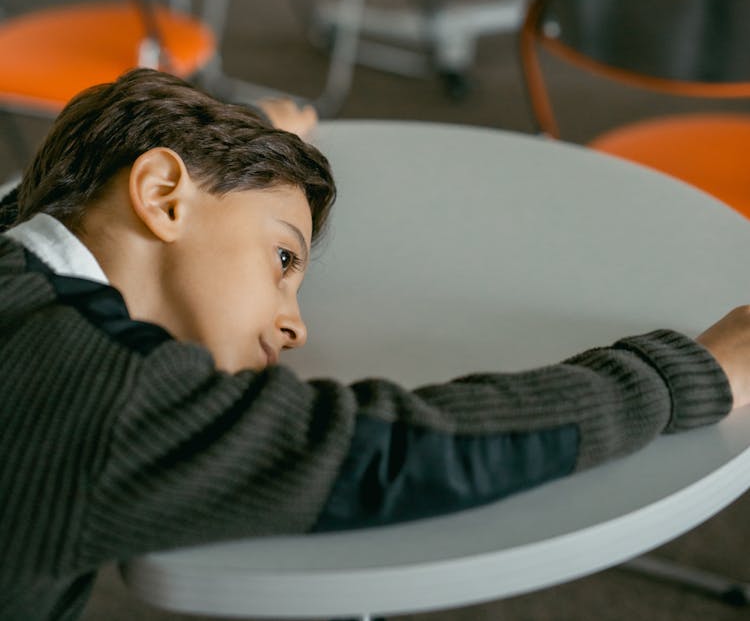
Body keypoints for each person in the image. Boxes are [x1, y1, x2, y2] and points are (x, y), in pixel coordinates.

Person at [0, 69, 747, 621]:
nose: (296, 326)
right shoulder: (108, 391)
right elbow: (397, 449)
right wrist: (690, 372)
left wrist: (240, 135)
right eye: (284, 260)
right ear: (162, 194)